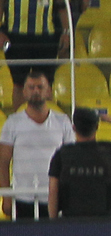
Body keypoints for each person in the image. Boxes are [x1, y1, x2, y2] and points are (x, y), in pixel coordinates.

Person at [1, 70, 76, 218]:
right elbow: (3, 162)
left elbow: (71, 159)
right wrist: (7, 197)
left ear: (49, 91)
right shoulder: (12, 123)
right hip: (22, 198)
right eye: (31, 87)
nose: (36, 91)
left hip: (55, 198)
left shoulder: (63, 122)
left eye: (40, 87)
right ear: (24, 92)